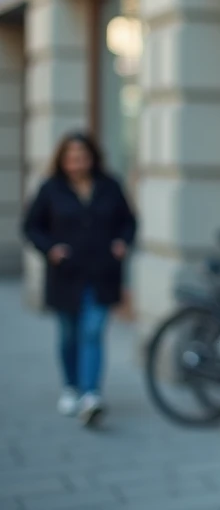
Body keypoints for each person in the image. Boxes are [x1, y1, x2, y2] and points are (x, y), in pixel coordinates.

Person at [23, 130, 137, 427]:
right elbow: (32, 227)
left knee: (93, 331)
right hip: (67, 274)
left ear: (92, 158)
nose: (77, 163)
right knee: (69, 334)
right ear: (62, 161)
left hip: (102, 272)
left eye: (82, 157)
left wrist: (122, 242)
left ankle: (91, 395)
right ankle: (71, 387)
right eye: (71, 158)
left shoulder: (109, 186)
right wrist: (50, 249)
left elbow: (129, 221)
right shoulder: (51, 189)